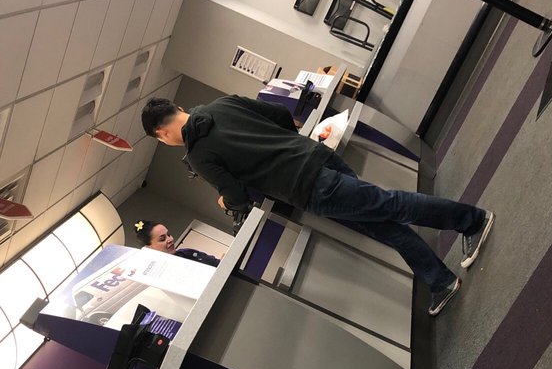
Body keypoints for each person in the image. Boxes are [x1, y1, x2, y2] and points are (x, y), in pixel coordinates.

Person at [140, 96, 494, 316]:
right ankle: (440, 280)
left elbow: (237, 196)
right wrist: (284, 144)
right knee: (381, 222)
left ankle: (472, 220)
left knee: (389, 205)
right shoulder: (221, 104)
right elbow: (280, 113)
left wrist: (226, 198)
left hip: (307, 186)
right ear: (178, 108)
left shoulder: (198, 155)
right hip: (316, 156)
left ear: (162, 134)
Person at [133, 219, 220, 267]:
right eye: (162, 239)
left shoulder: (186, 252)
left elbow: (217, 263)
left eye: (169, 234)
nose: (170, 239)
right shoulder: (157, 274)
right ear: (149, 247)